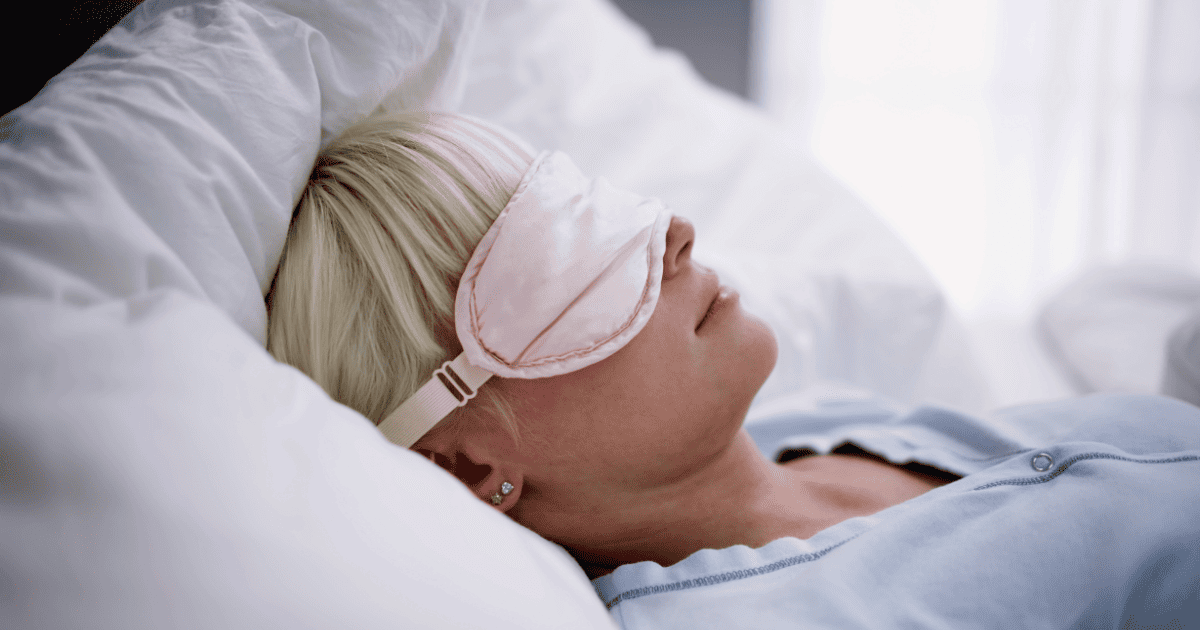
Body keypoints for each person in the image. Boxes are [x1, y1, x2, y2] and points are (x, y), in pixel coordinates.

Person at [268, 111, 1200, 627]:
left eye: (603, 211)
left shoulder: (823, 422)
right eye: (572, 273)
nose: (673, 234)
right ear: (472, 466)